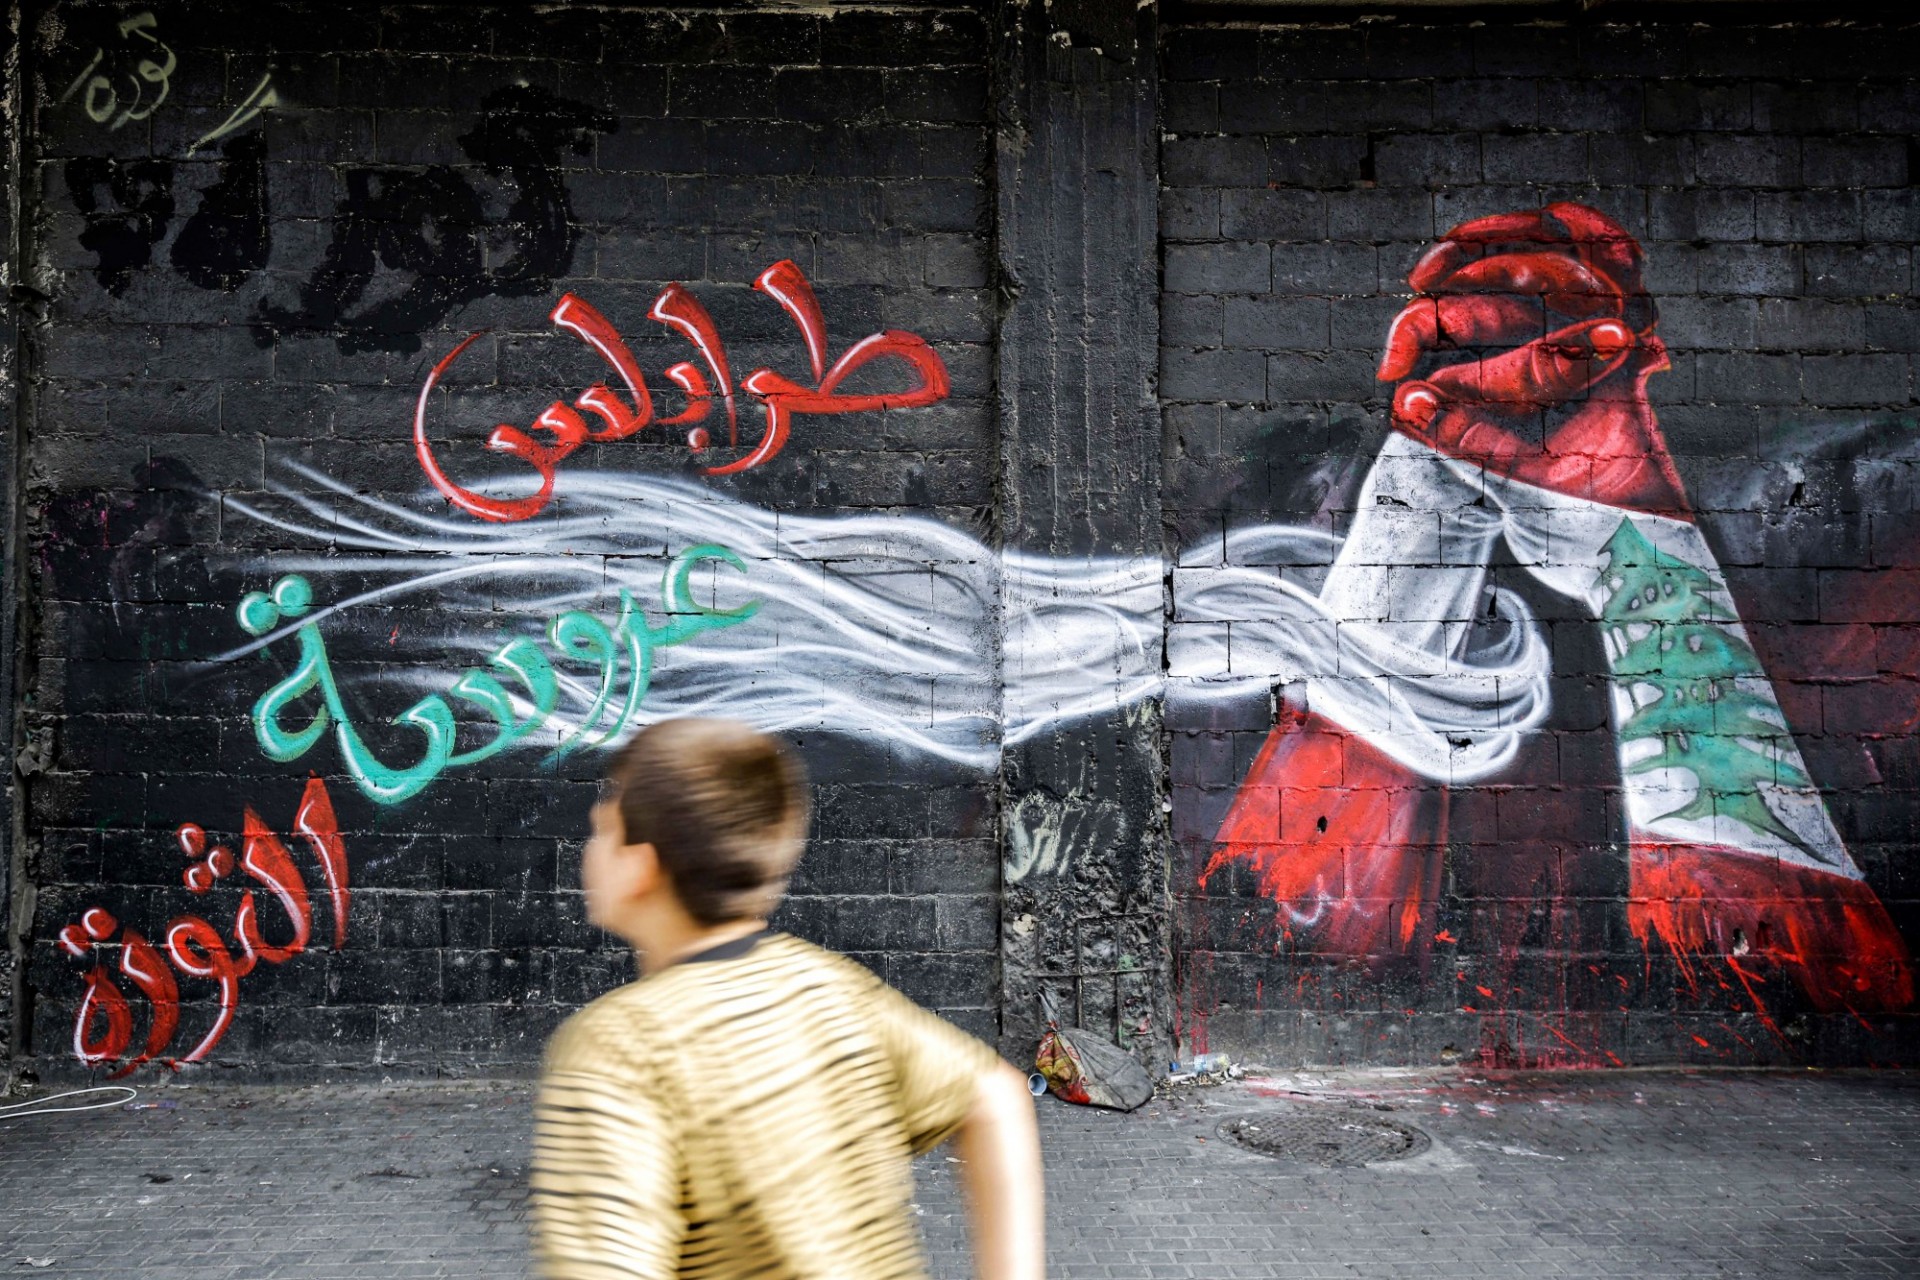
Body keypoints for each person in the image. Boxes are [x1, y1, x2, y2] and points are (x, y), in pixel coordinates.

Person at [529, 717, 1045, 1280]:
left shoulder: (618, 1049)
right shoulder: (833, 990)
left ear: (640, 867)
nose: (589, 845)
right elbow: (995, 1095)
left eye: (602, 828)